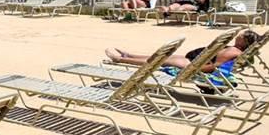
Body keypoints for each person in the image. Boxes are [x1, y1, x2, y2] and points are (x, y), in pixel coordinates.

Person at [106, 29, 258, 81]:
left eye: (241, 35)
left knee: (158, 61)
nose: (239, 35)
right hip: (194, 61)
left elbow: (215, 66)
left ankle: (120, 59)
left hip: (193, 65)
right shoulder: (237, 50)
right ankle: (129, 55)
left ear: (244, 41)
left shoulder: (232, 51)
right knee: (160, 56)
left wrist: (193, 69)